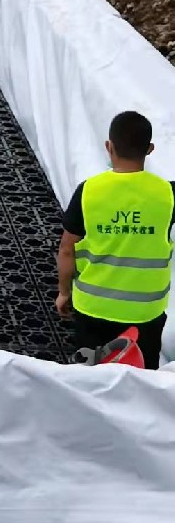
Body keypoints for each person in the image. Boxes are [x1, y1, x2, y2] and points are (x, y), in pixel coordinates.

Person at [56, 111, 175, 370]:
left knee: (91, 376)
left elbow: (67, 250)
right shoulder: (169, 194)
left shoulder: (89, 190)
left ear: (109, 146)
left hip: (93, 307)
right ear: (150, 149)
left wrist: (64, 292)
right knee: (141, 380)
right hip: (145, 313)